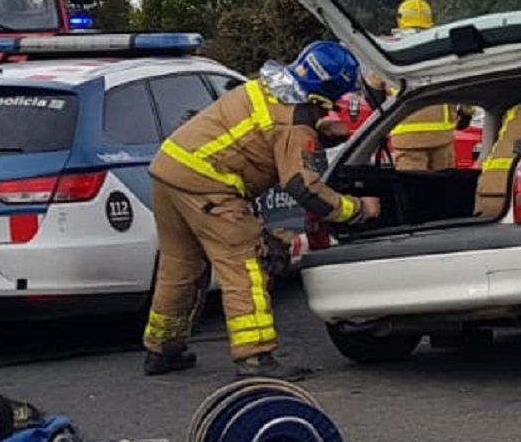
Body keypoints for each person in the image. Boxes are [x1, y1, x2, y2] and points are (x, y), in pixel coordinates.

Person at [144, 41, 381, 378]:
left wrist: (319, 132)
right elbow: (304, 188)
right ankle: (255, 357)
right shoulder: (294, 123)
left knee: (180, 265)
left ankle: (162, 349)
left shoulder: (268, 87)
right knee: (245, 263)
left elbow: (266, 133)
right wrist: (358, 209)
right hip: (209, 184)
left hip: (170, 169)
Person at [380, 0, 461, 173]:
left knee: (414, 192)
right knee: (445, 191)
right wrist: (467, 113)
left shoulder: (390, 50)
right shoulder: (443, 49)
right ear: (430, 20)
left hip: (406, 138)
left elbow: (373, 90)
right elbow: (462, 82)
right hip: (442, 135)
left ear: (400, 19)